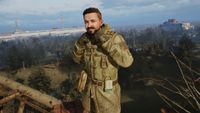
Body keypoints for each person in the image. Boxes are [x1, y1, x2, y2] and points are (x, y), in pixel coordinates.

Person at [72, 7, 133, 113]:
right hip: (88, 91)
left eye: (92, 21)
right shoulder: (86, 39)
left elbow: (127, 61)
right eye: (86, 22)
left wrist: (105, 41)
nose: (89, 25)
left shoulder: (114, 38)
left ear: (101, 21)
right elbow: (76, 59)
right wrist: (80, 44)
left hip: (107, 94)